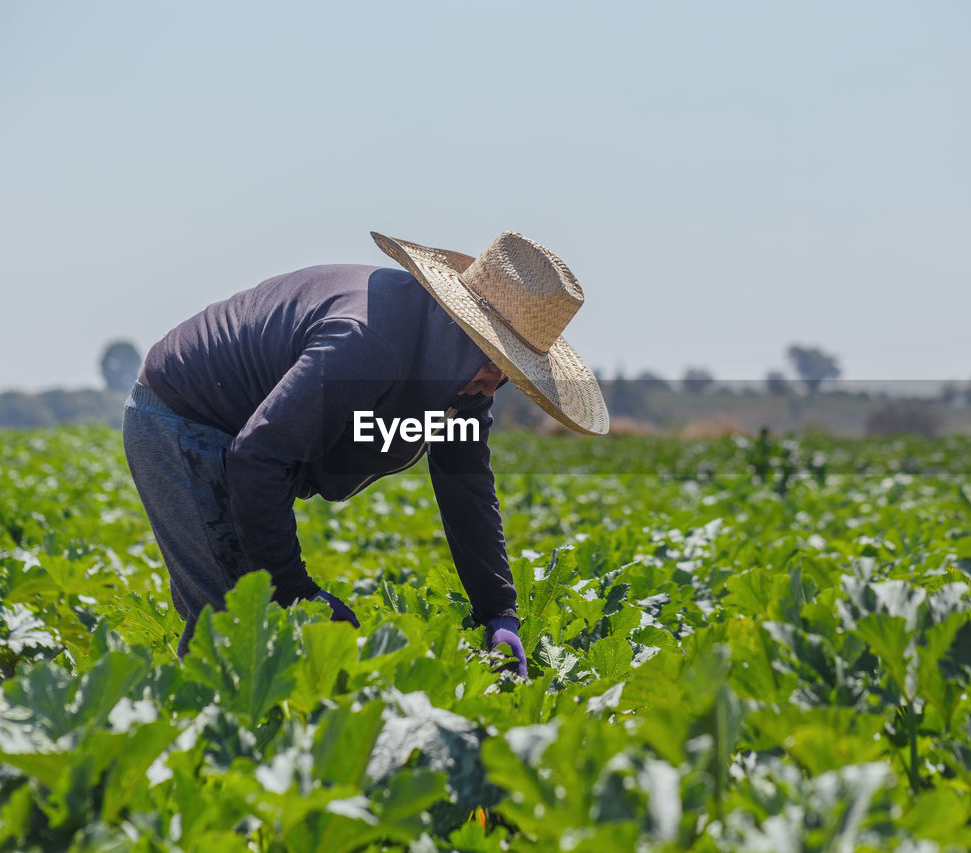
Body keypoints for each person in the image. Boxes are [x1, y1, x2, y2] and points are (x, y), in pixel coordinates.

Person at [122, 230, 610, 673]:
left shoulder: (462, 387)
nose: (492, 382)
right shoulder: (366, 342)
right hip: (185, 419)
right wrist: (296, 592)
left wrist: (498, 611)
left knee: (236, 628)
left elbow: (467, 491)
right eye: (489, 358)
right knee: (236, 631)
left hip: (248, 439)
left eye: (510, 372)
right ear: (455, 327)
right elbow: (259, 457)